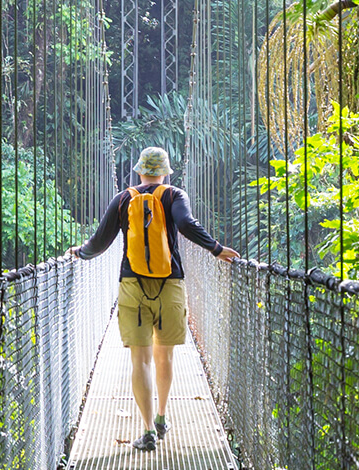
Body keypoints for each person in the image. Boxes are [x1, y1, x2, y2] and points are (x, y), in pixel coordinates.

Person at [67, 146, 240, 452]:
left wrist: (79, 253)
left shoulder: (123, 199)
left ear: (139, 171)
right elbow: (186, 226)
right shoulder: (174, 195)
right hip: (169, 284)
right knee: (165, 355)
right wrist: (216, 248)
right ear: (165, 172)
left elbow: (100, 242)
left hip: (132, 284)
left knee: (140, 360)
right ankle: (161, 416)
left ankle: (147, 430)